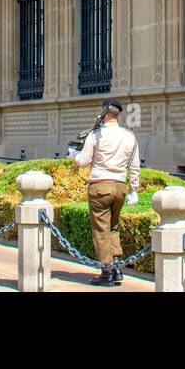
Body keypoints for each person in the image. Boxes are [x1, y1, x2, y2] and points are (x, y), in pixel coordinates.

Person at [69, 98, 140, 287]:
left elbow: (83, 161)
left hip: (100, 185)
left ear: (104, 113)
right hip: (119, 187)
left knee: (101, 229)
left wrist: (73, 155)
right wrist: (134, 190)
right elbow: (134, 166)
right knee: (113, 227)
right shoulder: (129, 136)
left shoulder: (96, 135)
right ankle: (116, 268)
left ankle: (106, 271)